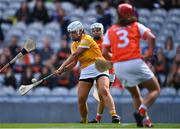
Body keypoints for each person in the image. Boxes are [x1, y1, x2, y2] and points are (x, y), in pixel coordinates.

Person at [102, 3, 160, 127]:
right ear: (131, 13)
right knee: (155, 89)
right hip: (134, 62)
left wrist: (117, 59)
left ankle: (145, 120)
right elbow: (152, 38)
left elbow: (104, 52)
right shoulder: (136, 25)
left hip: (119, 67)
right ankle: (141, 111)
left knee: (135, 94)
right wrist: (149, 53)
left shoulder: (111, 29)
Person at [55, 21, 120, 123]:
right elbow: (74, 62)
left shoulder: (87, 39)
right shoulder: (73, 45)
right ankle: (84, 121)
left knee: (103, 90)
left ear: (80, 31)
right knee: (81, 98)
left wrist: (61, 66)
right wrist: (63, 70)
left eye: (73, 32)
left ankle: (114, 115)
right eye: (70, 33)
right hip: (86, 70)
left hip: (99, 66)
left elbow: (75, 55)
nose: (71, 35)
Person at [89, 23, 115, 123]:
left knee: (103, 93)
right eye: (94, 30)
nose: (96, 32)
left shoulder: (107, 41)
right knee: (101, 95)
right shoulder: (90, 42)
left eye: (98, 30)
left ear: (102, 30)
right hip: (96, 71)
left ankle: (113, 114)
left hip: (109, 70)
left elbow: (114, 55)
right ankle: (98, 118)